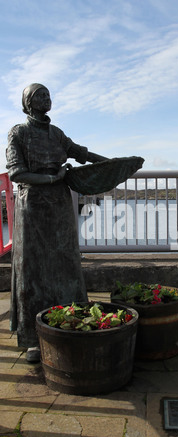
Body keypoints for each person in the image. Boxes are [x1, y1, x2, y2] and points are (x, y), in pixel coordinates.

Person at [6, 83, 109, 362]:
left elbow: (80, 153)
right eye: (40, 95)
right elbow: (16, 173)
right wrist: (52, 178)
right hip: (34, 206)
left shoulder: (56, 133)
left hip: (60, 204)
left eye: (48, 94)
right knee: (34, 267)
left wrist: (113, 164)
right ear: (28, 103)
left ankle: (74, 321)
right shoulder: (19, 133)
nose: (46, 98)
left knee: (66, 263)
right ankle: (33, 338)